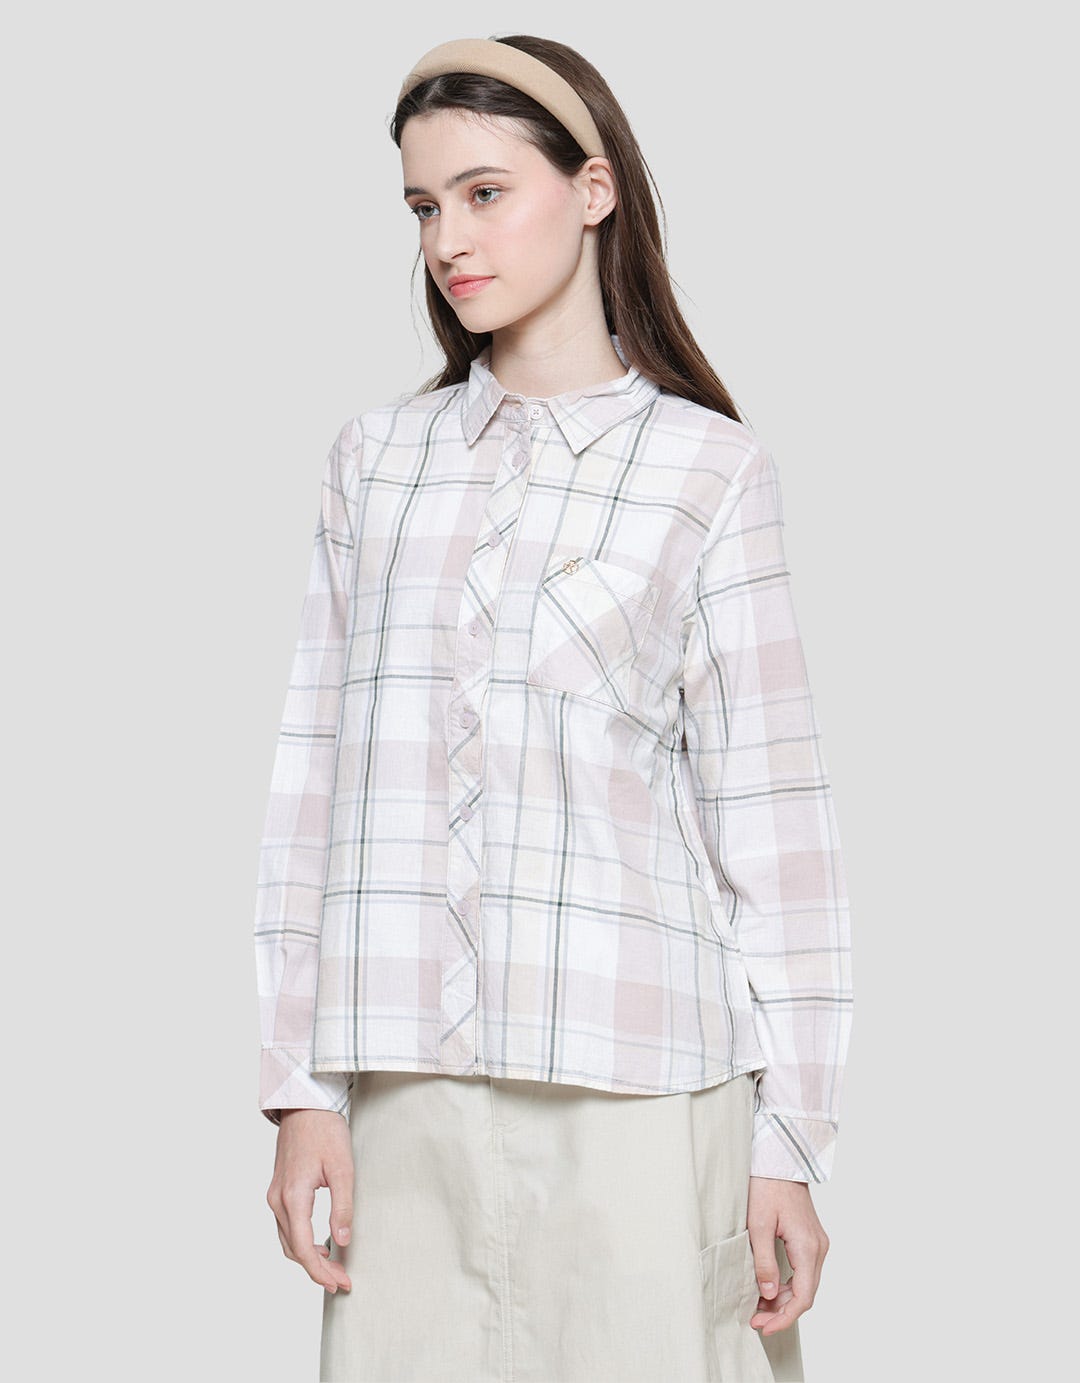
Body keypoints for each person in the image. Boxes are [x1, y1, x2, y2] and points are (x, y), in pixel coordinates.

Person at [255, 33, 853, 1383]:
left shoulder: (708, 470)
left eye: (485, 193)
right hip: (403, 1089)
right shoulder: (375, 464)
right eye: (423, 207)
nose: (449, 241)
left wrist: (791, 1140)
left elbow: (775, 830)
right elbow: (314, 788)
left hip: (641, 1087)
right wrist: (299, 1090)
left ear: (593, 190)